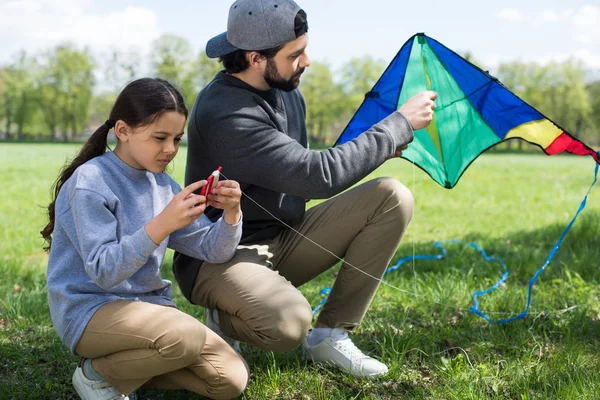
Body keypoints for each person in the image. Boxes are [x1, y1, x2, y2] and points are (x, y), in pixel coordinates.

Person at [173, 0, 437, 378]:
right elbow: (317, 175)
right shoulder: (226, 111)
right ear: (255, 58)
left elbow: (300, 173)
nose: (307, 61)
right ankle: (225, 315)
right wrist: (398, 124)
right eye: (296, 53)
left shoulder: (287, 91)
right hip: (220, 255)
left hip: (284, 238)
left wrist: (379, 149)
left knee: (391, 197)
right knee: (288, 325)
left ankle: (330, 335)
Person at [41, 78, 248, 400]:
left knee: (230, 380)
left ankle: (125, 369)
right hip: (90, 309)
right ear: (123, 130)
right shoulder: (91, 181)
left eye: (177, 139)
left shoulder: (164, 185)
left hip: (150, 312)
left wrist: (231, 213)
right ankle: (95, 374)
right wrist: (163, 224)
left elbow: (213, 250)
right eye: (160, 137)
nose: (171, 150)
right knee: (186, 337)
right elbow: (104, 272)